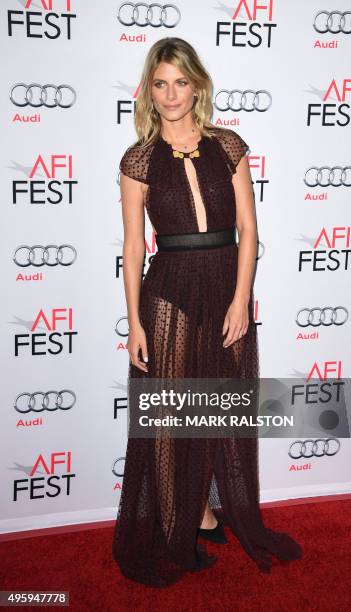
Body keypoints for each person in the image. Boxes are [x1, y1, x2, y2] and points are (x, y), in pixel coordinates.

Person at [112, 36, 302, 588]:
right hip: (168, 290)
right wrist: (135, 323)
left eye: (181, 82)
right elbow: (131, 247)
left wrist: (242, 298)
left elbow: (249, 229)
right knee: (172, 412)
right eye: (160, 83)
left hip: (224, 288)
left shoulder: (229, 145)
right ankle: (179, 524)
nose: (171, 94)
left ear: (197, 85)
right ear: (149, 90)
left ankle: (204, 510)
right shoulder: (138, 158)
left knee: (218, 404)